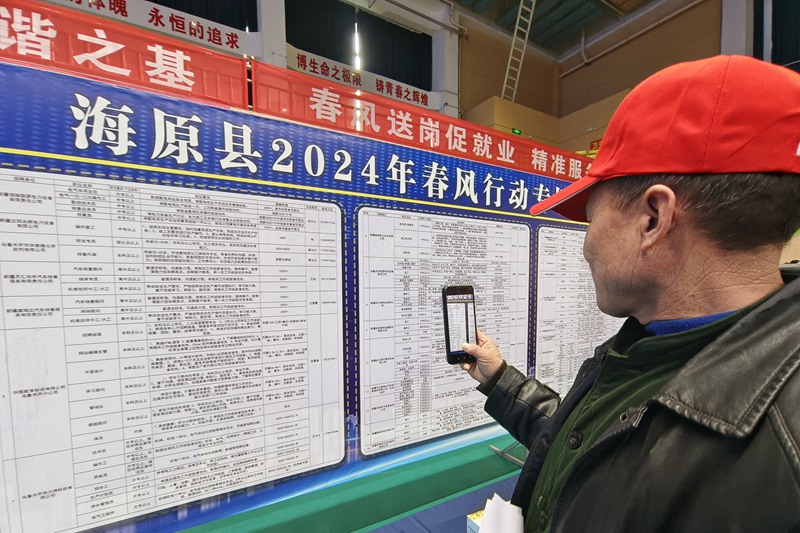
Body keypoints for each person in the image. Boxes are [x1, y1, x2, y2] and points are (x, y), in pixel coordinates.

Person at [460, 55, 800, 532]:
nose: (585, 244)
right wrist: (501, 380)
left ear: (653, 219)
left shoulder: (784, 458)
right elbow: (600, 455)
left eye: (590, 218)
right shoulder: (652, 346)